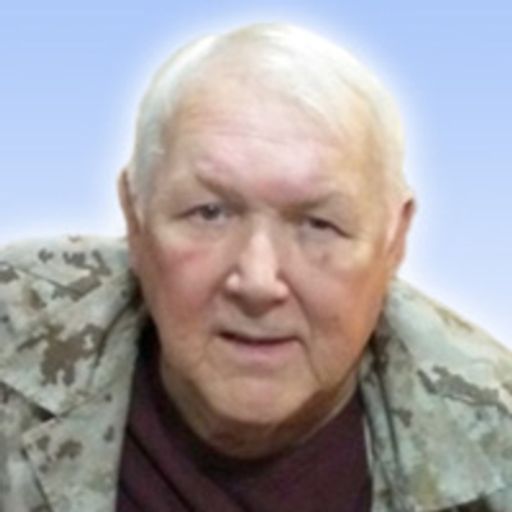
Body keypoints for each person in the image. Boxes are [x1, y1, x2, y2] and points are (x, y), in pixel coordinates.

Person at [0, 23, 511, 512]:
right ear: (136, 216)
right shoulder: (12, 331)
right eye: (209, 213)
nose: (258, 282)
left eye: (318, 225)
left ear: (393, 239)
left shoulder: (495, 441)